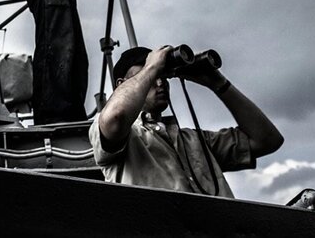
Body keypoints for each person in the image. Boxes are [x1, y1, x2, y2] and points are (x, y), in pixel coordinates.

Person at [89, 46, 284, 197]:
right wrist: (152, 66)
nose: (159, 83)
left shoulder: (195, 141)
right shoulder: (122, 134)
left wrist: (217, 83)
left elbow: (267, 140)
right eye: (151, 78)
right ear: (121, 85)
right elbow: (115, 117)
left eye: (163, 77)